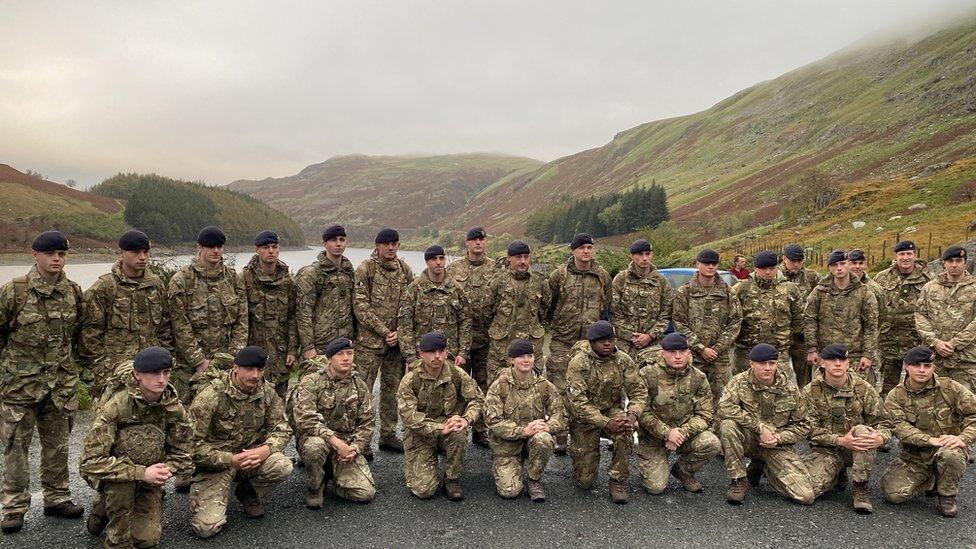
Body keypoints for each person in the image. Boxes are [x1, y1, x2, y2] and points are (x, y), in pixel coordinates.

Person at [0, 230, 85, 534]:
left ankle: (57, 497)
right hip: (19, 387)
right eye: (50, 254)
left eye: (61, 254)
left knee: (58, 446)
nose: (56, 259)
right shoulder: (14, 292)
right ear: (34, 255)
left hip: (59, 386)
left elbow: (78, 337)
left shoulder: (73, 293)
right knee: (15, 449)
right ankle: (14, 507)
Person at [79, 347, 192, 547]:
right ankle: (115, 537)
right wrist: (140, 472)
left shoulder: (173, 408)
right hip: (114, 476)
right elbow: (89, 462)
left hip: (150, 476)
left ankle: (109, 506)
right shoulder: (115, 407)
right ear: (137, 374)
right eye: (154, 373)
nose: (162, 379)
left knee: (147, 540)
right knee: (121, 490)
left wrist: (163, 471)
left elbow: (184, 452)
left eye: (166, 372)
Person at [187, 346, 293, 539]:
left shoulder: (266, 392)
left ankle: (247, 491)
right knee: (206, 529)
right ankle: (214, 494)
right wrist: (230, 460)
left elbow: (283, 427)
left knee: (282, 465)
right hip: (217, 464)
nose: (255, 375)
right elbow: (190, 446)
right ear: (236, 367)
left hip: (252, 458)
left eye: (260, 370)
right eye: (250, 369)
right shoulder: (210, 396)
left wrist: (266, 450)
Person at [882, 346, 976, 517]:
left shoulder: (951, 388)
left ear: (934, 367)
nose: (922, 370)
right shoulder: (896, 396)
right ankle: (932, 478)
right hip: (914, 456)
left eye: (927, 365)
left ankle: (947, 495)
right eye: (916, 365)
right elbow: (899, 427)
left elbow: (974, 415)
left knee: (951, 455)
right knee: (894, 495)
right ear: (906, 366)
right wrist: (929, 440)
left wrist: (963, 438)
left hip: (947, 448)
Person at [79, 229, 173, 401]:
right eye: (136, 252)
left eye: (145, 252)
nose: (142, 257)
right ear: (121, 254)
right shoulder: (105, 287)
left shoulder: (156, 285)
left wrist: (165, 361)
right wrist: (103, 370)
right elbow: (90, 335)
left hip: (151, 372)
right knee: (111, 422)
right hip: (115, 373)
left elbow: (165, 327)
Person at [719, 344, 813, 505]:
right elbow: (724, 408)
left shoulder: (790, 389)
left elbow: (803, 425)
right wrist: (759, 428)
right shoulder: (739, 382)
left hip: (776, 444)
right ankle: (738, 480)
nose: (767, 368)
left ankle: (764, 466)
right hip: (749, 439)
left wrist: (778, 438)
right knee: (728, 426)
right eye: (762, 363)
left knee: (805, 496)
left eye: (772, 363)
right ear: (752, 364)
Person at [566, 321, 647, 503]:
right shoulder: (579, 362)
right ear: (592, 342)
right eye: (602, 340)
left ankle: (617, 480)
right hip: (584, 419)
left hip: (611, 410)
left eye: (610, 339)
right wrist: (605, 423)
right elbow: (577, 403)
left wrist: (631, 416)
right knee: (585, 481)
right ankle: (583, 463)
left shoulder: (623, 359)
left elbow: (639, 391)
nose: (607, 344)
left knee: (626, 430)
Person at [804, 344, 890, 514]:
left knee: (863, 431)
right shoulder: (810, 391)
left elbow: (885, 422)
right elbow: (808, 429)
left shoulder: (862, 388)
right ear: (822, 363)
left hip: (857, 450)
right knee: (808, 492)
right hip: (827, 450)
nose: (837, 364)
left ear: (848, 363)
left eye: (842, 360)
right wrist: (841, 441)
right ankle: (837, 473)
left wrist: (880, 438)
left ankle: (860, 487)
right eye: (832, 360)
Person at [396, 332, 483, 501]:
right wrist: (440, 428)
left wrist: (466, 419)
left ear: (446, 352)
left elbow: (477, 399)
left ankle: (451, 478)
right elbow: (410, 418)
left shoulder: (457, 374)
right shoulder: (410, 380)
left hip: (450, 429)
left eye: (441, 351)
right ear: (421, 354)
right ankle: (426, 462)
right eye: (431, 351)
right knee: (423, 491)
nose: (437, 356)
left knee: (458, 432)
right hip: (421, 435)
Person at [546, 233, 612, 455]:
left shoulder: (602, 275)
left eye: (590, 247)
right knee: (560, 388)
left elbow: (607, 305)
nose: (586, 251)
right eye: (582, 247)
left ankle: (589, 431)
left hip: (590, 343)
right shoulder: (559, 275)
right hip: (563, 340)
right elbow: (548, 304)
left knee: (590, 387)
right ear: (572, 251)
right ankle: (561, 433)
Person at [290, 337, 375, 509]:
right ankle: (316, 486)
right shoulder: (311, 381)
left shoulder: (359, 385)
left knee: (365, 494)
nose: (346, 358)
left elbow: (367, 422)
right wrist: (336, 442)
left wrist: (355, 448)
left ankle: (333, 476)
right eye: (340, 354)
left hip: (346, 445)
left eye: (350, 353)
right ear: (329, 359)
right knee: (315, 448)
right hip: (317, 439)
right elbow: (306, 420)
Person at [168, 225, 248, 404]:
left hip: (227, 363)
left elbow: (242, 321)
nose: (216, 251)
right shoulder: (182, 281)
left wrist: (233, 357)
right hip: (190, 367)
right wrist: (198, 361)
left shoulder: (233, 279)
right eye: (211, 246)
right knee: (189, 417)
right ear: (199, 248)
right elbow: (180, 326)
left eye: (219, 247)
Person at [635, 333, 720, 495]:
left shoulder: (698, 377)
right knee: (656, 488)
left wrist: (681, 432)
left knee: (712, 443)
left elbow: (706, 414)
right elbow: (641, 411)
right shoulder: (648, 374)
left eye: (682, 352)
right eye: (672, 352)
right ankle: (652, 464)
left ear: (689, 353)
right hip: (653, 437)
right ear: (662, 353)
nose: (678, 356)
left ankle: (683, 471)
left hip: (684, 434)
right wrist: (667, 433)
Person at [353, 228, 414, 453]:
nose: (390, 247)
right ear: (377, 245)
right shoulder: (365, 269)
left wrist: (398, 332)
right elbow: (360, 305)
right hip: (369, 343)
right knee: (363, 391)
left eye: (394, 243)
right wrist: (384, 331)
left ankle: (388, 434)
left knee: (392, 390)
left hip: (396, 344)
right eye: (386, 243)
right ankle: (363, 440)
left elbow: (409, 303)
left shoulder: (404, 270)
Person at [484, 339, 567, 502]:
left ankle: (533, 479)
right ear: (511, 360)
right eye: (521, 356)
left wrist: (548, 427)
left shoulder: (544, 385)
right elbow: (493, 422)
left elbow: (560, 414)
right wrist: (522, 431)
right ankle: (504, 464)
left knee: (543, 439)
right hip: (506, 444)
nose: (526, 360)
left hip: (533, 440)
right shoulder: (499, 386)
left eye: (529, 355)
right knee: (510, 492)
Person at [446, 226, 500, 447]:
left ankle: (481, 429)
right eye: (474, 240)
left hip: (487, 338)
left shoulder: (496, 268)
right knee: (455, 386)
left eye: (482, 239)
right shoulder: (453, 269)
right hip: (459, 340)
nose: (478, 243)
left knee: (484, 384)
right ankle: (452, 429)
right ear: (467, 243)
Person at [672, 249, 742, 413]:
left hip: (719, 358)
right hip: (693, 356)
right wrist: (701, 348)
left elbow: (735, 322)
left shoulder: (727, 292)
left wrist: (716, 349)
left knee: (721, 400)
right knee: (690, 399)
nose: (710, 267)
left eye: (714, 264)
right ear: (698, 264)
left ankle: (717, 435)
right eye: (706, 263)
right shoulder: (686, 292)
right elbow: (679, 322)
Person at [803, 250, 879, 385]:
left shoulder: (864, 293)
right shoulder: (819, 292)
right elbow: (810, 321)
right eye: (834, 265)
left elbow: (871, 326)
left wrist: (867, 354)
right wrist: (812, 349)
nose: (839, 268)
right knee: (821, 396)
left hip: (854, 356)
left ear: (849, 264)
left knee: (858, 397)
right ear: (829, 268)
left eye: (843, 263)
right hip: (825, 355)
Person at [241, 230, 298, 397]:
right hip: (253, 354)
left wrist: (292, 349)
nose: (271, 251)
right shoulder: (245, 279)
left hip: (280, 355)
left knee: (279, 405)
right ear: (257, 250)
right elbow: (239, 320)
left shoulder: (287, 281)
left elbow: (293, 317)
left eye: (274, 247)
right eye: (266, 247)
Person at [871, 241, 932, 397]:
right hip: (888, 340)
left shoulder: (928, 278)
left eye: (909, 254)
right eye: (902, 254)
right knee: (887, 385)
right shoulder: (882, 278)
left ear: (915, 255)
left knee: (918, 382)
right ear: (896, 256)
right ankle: (887, 416)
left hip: (917, 340)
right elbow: (873, 307)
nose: (905, 257)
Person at [397, 245, 472, 371]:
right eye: (434, 259)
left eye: (441, 258)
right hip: (421, 356)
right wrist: (410, 357)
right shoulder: (414, 289)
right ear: (426, 262)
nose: (438, 262)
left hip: (449, 356)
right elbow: (405, 324)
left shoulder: (456, 289)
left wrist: (463, 352)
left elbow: (466, 321)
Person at [485, 240, 551, 382]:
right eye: (518, 257)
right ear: (509, 258)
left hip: (531, 347)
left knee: (534, 390)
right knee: (498, 388)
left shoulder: (540, 282)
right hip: (502, 349)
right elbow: (486, 312)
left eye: (526, 257)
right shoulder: (498, 281)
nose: (522, 261)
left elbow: (545, 310)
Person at [730, 250, 802, 380]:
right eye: (763, 268)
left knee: (781, 390)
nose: (768, 272)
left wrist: (791, 340)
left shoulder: (790, 289)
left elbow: (798, 318)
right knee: (743, 391)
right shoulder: (741, 288)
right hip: (747, 352)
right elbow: (730, 318)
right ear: (755, 268)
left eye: (772, 268)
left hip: (779, 352)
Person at [915, 246, 976, 393]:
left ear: (965, 263)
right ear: (944, 263)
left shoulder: (974, 288)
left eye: (958, 261)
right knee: (934, 401)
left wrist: (954, 344)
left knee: (968, 403)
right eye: (950, 261)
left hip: (966, 359)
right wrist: (935, 342)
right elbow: (920, 315)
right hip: (934, 358)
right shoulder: (929, 288)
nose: (954, 265)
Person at [295, 225, 356, 362]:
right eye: (334, 240)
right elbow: (303, 312)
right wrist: (308, 346)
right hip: (320, 345)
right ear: (325, 244)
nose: (338, 243)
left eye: (342, 239)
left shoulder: (349, 273)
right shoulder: (312, 273)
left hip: (344, 344)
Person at [609, 238, 673, 360]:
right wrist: (633, 337)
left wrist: (650, 335)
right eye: (640, 254)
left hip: (653, 345)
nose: (644, 258)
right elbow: (615, 313)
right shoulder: (621, 280)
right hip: (625, 345)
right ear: (632, 256)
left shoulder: (662, 282)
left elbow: (666, 314)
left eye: (648, 254)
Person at [780, 244, 820, 388]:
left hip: (802, 337)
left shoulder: (812, 277)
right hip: (781, 337)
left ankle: (806, 407)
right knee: (781, 378)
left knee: (806, 379)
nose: (796, 264)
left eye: (799, 260)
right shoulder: (775, 276)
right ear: (784, 259)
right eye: (792, 261)